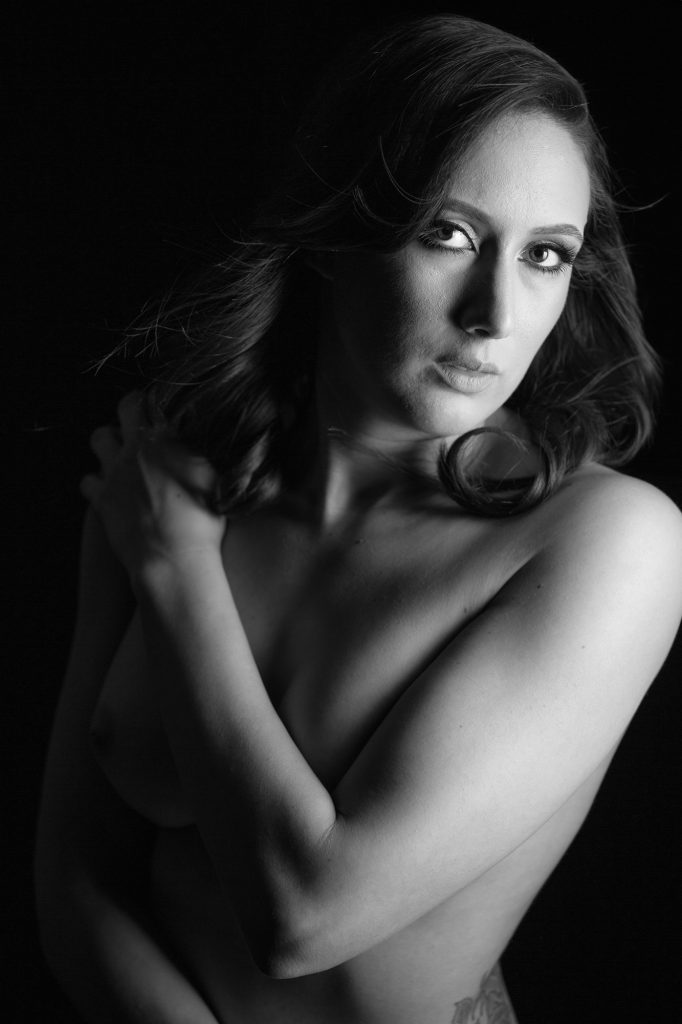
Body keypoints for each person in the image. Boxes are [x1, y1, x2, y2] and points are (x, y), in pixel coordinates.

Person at [34, 13, 682, 1024]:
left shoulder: (610, 541)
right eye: (450, 234)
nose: (493, 314)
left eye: (546, 256)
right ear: (337, 230)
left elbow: (305, 914)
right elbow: (77, 876)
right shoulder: (173, 477)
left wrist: (177, 572)